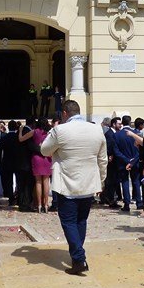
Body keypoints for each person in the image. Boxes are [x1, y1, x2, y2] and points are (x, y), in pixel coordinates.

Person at [40, 100, 107, 275]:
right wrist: (101, 180)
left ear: (64, 113)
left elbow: (44, 150)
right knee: (81, 221)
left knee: (69, 221)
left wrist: (54, 131)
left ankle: (78, 258)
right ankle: (77, 255)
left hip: (67, 184)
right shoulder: (96, 129)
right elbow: (102, 159)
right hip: (88, 184)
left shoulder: (60, 130)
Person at [21, 119, 54, 212]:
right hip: (47, 157)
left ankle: (39, 205)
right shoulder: (49, 133)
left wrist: (20, 131)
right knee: (46, 182)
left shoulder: (34, 131)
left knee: (38, 182)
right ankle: (46, 204)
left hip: (36, 157)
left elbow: (21, 139)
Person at [112, 116, 141, 213]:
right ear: (130, 122)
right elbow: (139, 150)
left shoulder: (117, 135)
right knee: (136, 182)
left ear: (122, 123)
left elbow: (116, 151)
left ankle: (127, 204)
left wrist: (126, 160)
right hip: (135, 162)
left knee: (125, 182)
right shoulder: (136, 133)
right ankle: (139, 202)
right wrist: (132, 161)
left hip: (123, 162)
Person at [0, 121, 21, 207]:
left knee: (9, 182)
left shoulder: (4, 137)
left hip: (7, 161)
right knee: (19, 181)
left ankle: (11, 199)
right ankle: (19, 199)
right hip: (18, 162)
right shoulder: (18, 137)